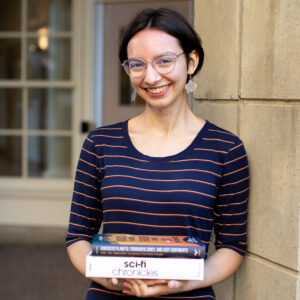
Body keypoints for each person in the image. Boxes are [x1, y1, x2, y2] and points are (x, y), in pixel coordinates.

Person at [66, 7, 249, 300]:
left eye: (164, 61)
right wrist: (118, 283)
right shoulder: (100, 144)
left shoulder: (226, 149)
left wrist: (181, 284)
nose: (151, 77)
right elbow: (77, 238)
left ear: (191, 61)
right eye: (137, 65)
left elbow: (233, 246)